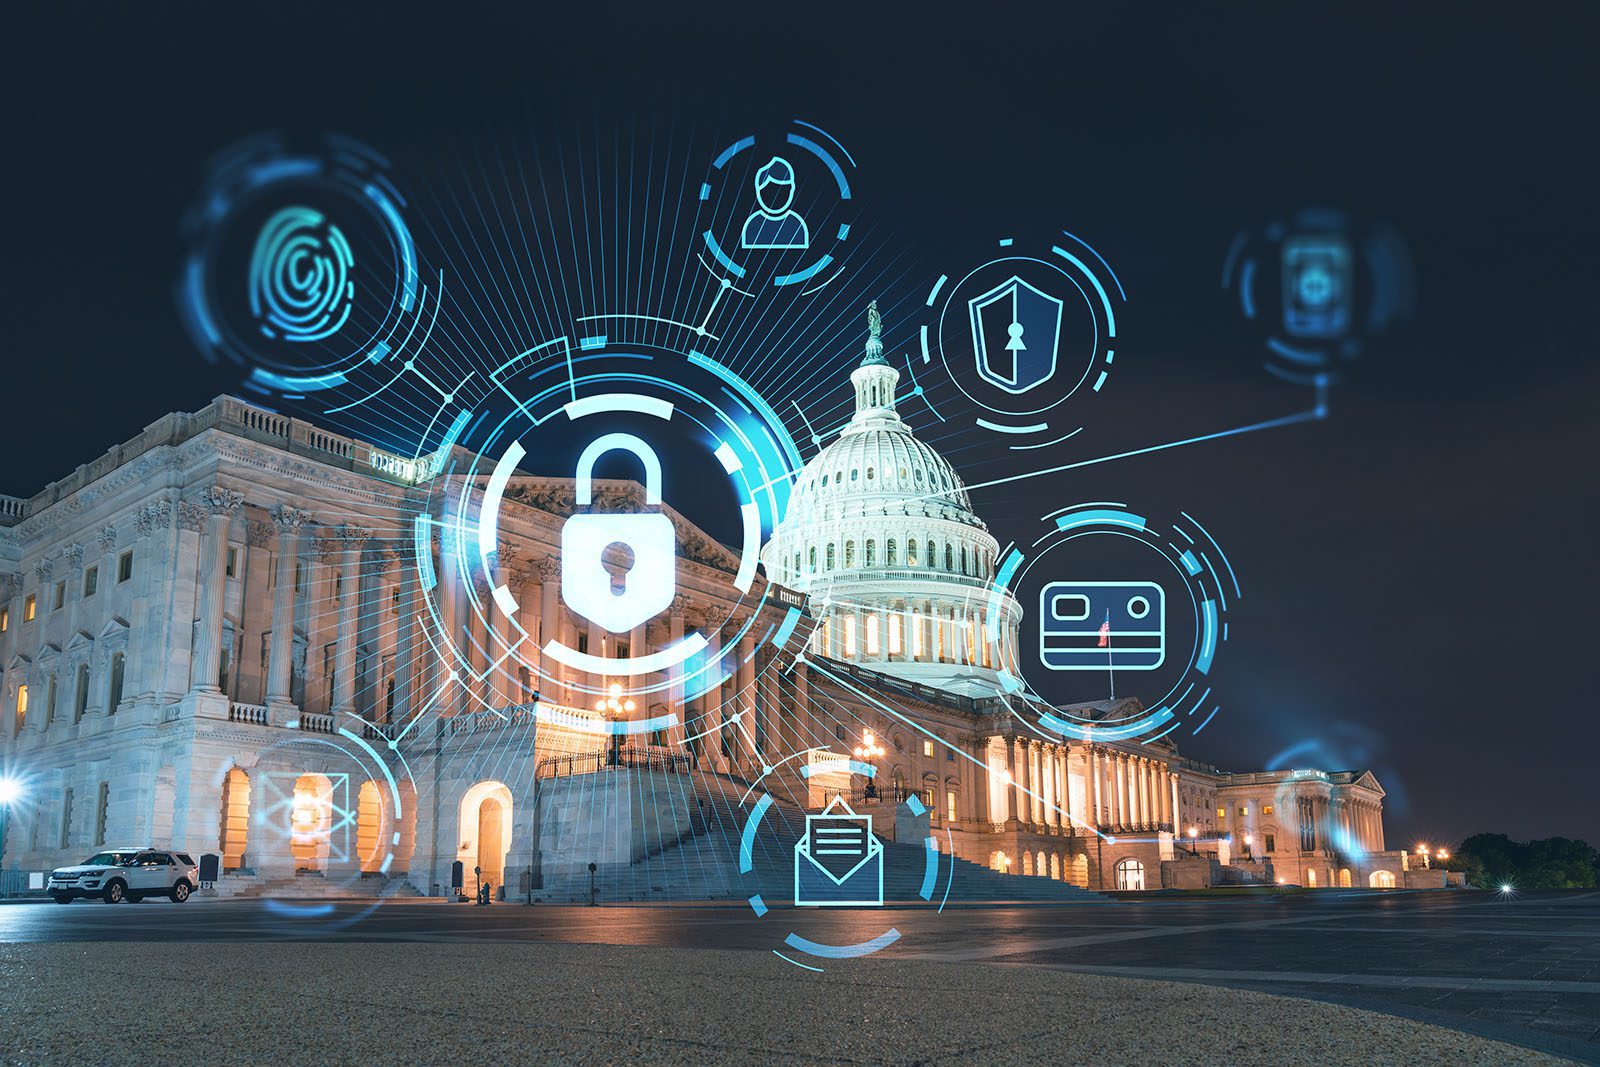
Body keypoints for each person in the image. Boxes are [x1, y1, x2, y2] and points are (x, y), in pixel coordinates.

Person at [740, 156, 810, 250]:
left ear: (791, 189)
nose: (776, 197)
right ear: (759, 192)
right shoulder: (753, 225)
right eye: (769, 190)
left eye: (782, 190)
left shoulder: (797, 225)